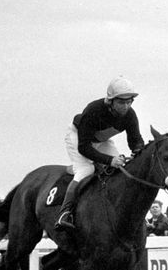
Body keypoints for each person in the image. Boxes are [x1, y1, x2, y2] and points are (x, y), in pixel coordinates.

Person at [56, 77, 143, 232]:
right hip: (78, 138)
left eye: (129, 101)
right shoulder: (93, 111)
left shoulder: (130, 115)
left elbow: (135, 141)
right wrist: (109, 160)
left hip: (101, 140)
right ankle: (65, 213)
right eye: (121, 102)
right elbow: (84, 148)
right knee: (86, 170)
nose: (126, 106)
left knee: (121, 169)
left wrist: (138, 154)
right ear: (111, 101)